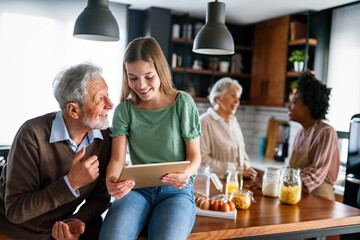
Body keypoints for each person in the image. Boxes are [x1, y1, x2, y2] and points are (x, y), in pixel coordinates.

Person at [99, 37, 202, 240]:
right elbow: (118, 160)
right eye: (133, 78)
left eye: (148, 76)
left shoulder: (182, 103)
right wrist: (111, 181)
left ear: (160, 71)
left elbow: (195, 155)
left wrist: (186, 174)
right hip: (136, 189)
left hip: (176, 191)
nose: (141, 85)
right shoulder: (124, 110)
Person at [0, 62, 114, 240]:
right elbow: (15, 211)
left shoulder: (105, 137)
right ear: (73, 110)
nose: (110, 104)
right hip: (16, 232)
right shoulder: (32, 135)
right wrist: (70, 183)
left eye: (107, 95)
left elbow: (100, 196)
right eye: (100, 99)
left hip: (61, 232)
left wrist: (77, 219)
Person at [288, 71, 339, 200]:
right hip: (300, 198)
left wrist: (279, 181)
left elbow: (314, 175)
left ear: (308, 106)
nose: (289, 106)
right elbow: (291, 171)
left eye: (294, 102)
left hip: (320, 202)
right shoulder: (301, 133)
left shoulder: (326, 133)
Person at [200, 77, 257, 180]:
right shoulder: (204, 122)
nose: (237, 102)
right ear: (218, 98)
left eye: (239, 98)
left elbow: (242, 153)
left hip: (234, 183)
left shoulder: (234, 122)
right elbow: (202, 160)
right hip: (214, 184)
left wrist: (246, 166)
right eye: (233, 96)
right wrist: (234, 169)